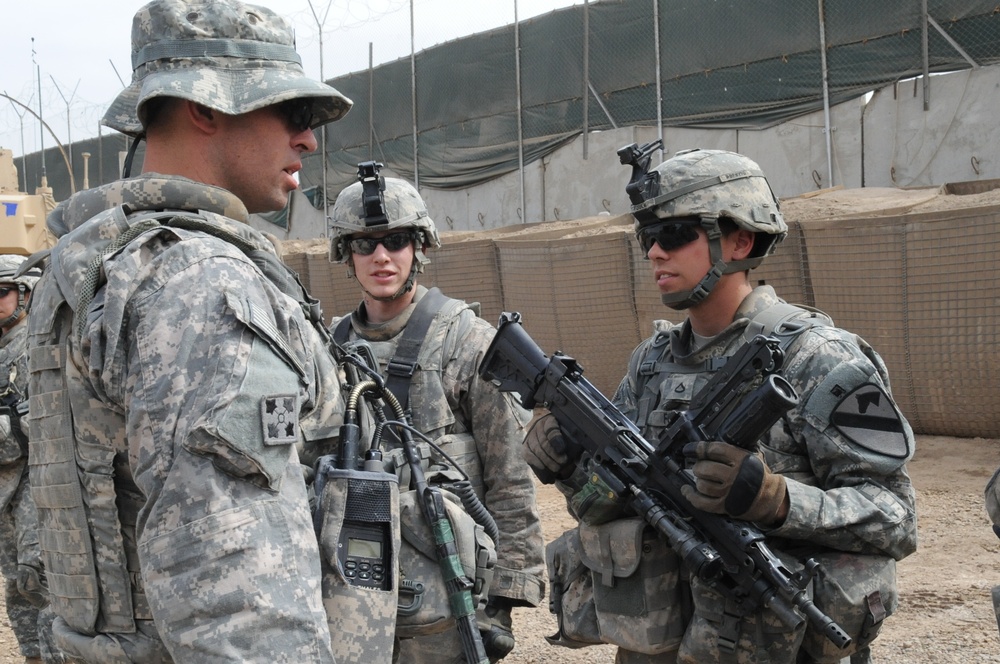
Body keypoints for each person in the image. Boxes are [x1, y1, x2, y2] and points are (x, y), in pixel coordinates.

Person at [25, 0, 353, 661]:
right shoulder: (200, 281)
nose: (308, 139)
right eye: (291, 112)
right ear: (205, 106)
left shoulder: (95, 265)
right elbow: (238, 598)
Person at [525, 147, 918, 664]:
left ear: (740, 239)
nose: (655, 254)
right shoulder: (651, 361)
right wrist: (570, 469)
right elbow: (618, 503)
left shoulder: (819, 358)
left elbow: (896, 518)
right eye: (648, 238)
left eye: (675, 234)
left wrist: (776, 500)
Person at [328, 163, 546, 663]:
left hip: (449, 598)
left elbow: (509, 477)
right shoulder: (328, 348)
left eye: (397, 240)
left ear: (419, 247)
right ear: (346, 253)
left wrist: (506, 597)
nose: (381, 256)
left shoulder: (465, 340)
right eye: (364, 243)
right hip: (350, 593)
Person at [0, 255, 59, 664]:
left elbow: (33, 431)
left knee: (41, 581)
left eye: (0, 292)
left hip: (38, 487)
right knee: (19, 587)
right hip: (9, 491)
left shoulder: (38, 347)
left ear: (25, 293)